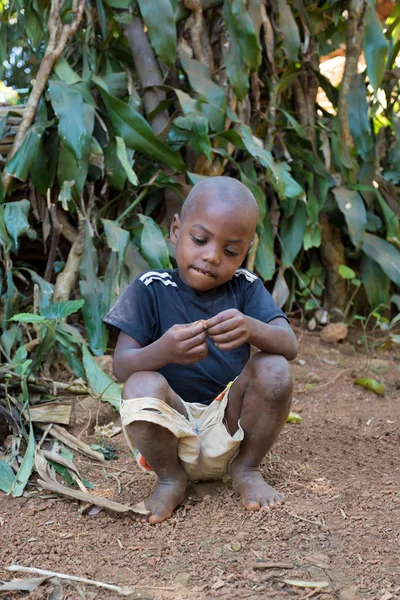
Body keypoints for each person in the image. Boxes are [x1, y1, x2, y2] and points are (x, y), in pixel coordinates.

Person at [104, 176, 298, 524]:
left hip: (229, 421)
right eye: (200, 239)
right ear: (176, 230)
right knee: (140, 384)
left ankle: (247, 469)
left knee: (275, 369)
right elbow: (122, 367)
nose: (211, 257)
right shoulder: (150, 288)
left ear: (245, 252)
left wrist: (252, 327)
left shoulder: (245, 287)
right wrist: (163, 350)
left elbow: (289, 344)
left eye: (230, 251)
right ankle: (170, 478)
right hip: (170, 429)